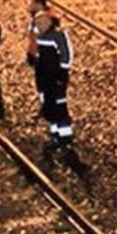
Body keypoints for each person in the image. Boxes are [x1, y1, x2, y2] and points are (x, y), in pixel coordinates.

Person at [34, 12, 82, 172]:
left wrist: (62, 73)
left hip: (55, 77)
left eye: (41, 23)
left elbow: (67, 55)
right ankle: (55, 133)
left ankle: (65, 137)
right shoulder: (41, 37)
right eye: (37, 23)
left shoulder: (58, 36)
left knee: (59, 106)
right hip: (45, 78)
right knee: (49, 105)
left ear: (49, 22)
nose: (38, 26)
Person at [25, 0, 63, 69]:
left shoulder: (43, 20)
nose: (29, 5)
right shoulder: (42, 18)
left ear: (38, 4)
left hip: (46, 61)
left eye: (32, 3)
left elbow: (36, 40)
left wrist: (33, 56)